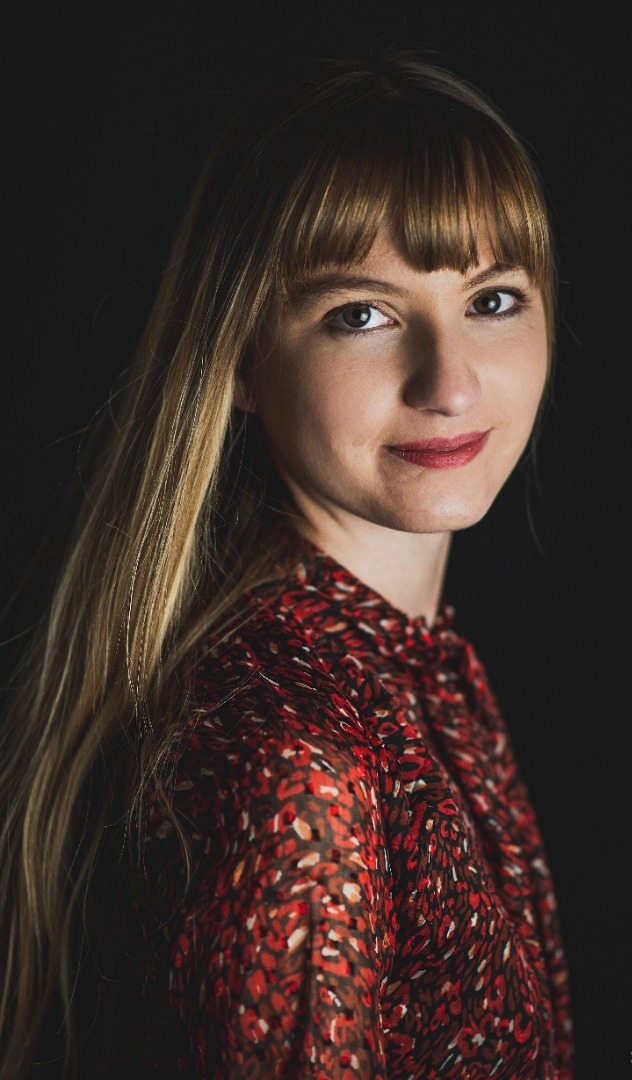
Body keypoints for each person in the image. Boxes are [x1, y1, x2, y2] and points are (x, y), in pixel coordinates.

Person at [0, 50, 573, 1078]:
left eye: (492, 300)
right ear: (241, 360)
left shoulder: (413, 669)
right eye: (361, 315)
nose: (449, 384)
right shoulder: (300, 761)